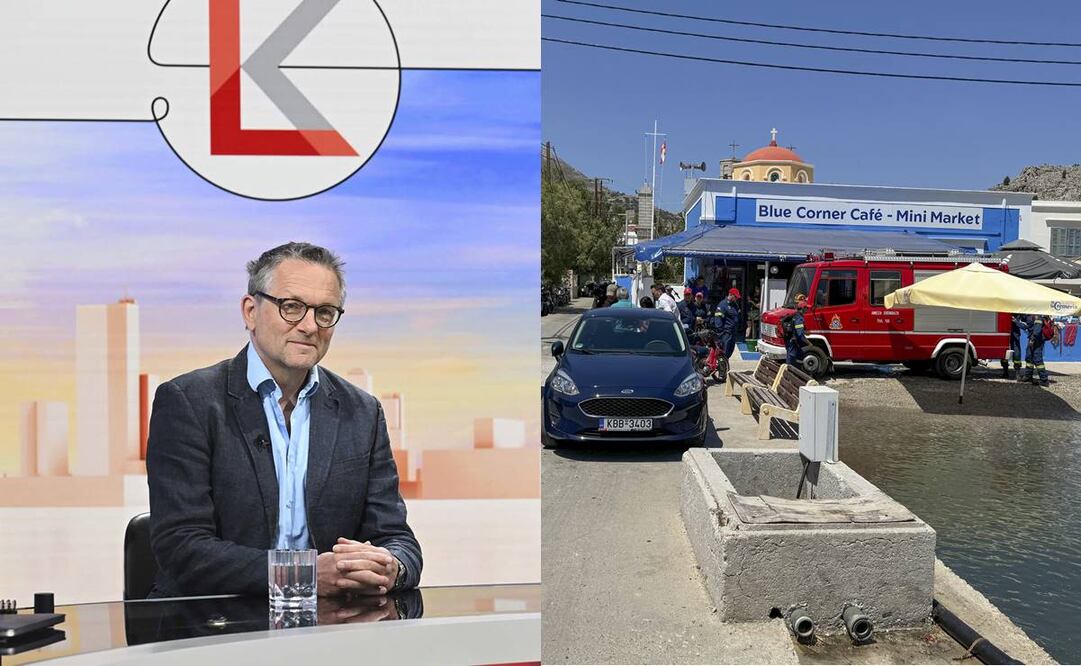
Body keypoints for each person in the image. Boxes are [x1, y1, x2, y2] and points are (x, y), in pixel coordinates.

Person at [147, 242, 422, 598]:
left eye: (325, 312)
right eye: (291, 307)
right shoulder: (189, 402)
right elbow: (181, 548)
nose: (309, 326)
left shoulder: (363, 413)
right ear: (250, 311)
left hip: (331, 634)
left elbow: (398, 539)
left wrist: (391, 566)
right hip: (212, 629)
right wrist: (301, 575)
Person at [712, 287, 743, 361]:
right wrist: (720, 333)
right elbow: (718, 319)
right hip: (726, 333)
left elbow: (737, 316)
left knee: (730, 351)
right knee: (724, 352)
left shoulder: (735, 305)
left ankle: (725, 365)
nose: (736, 299)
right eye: (735, 297)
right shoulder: (723, 304)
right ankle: (722, 369)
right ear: (731, 295)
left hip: (733, 333)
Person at [1023, 314, 1052, 387]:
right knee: (1029, 357)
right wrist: (1016, 322)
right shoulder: (1032, 316)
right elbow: (1028, 326)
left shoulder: (1038, 316)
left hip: (1037, 340)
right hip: (1032, 339)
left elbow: (1037, 329)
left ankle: (1044, 380)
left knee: (1037, 359)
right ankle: (1028, 376)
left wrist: (1032, 339)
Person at [785, 294, 810, 367]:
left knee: (791, 356)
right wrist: (808, 343)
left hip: (789, 339)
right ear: (802, 309)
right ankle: (788, 373)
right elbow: (800, 335)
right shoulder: (799, 318)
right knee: (792, 358)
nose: (806, 310)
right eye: (805, 308)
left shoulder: (795, 315)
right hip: (792, 341)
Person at [1001, 314, 1025, 380]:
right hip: (1005, 332)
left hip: (1015, 333)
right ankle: (1005, 371)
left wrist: (1015, 320)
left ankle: (1017, 372)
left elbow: (1024, 321)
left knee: (1016, 353)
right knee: (1004, 352)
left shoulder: (1017, 310)